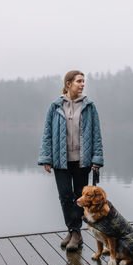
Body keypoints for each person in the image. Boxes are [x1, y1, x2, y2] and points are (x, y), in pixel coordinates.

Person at [38, 70, 104, 251]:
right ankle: (74, 231)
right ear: (68, 84)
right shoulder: (55, 106)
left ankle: (75, 232)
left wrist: (96, 159)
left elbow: (96, 135)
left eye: (84, 81)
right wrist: (46, 158)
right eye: (79, 81)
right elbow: (47, 134)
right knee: (65, 197)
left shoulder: (90, 106)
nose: (83, 84)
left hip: (82, 161)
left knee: (79, 198)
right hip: (61, 161)